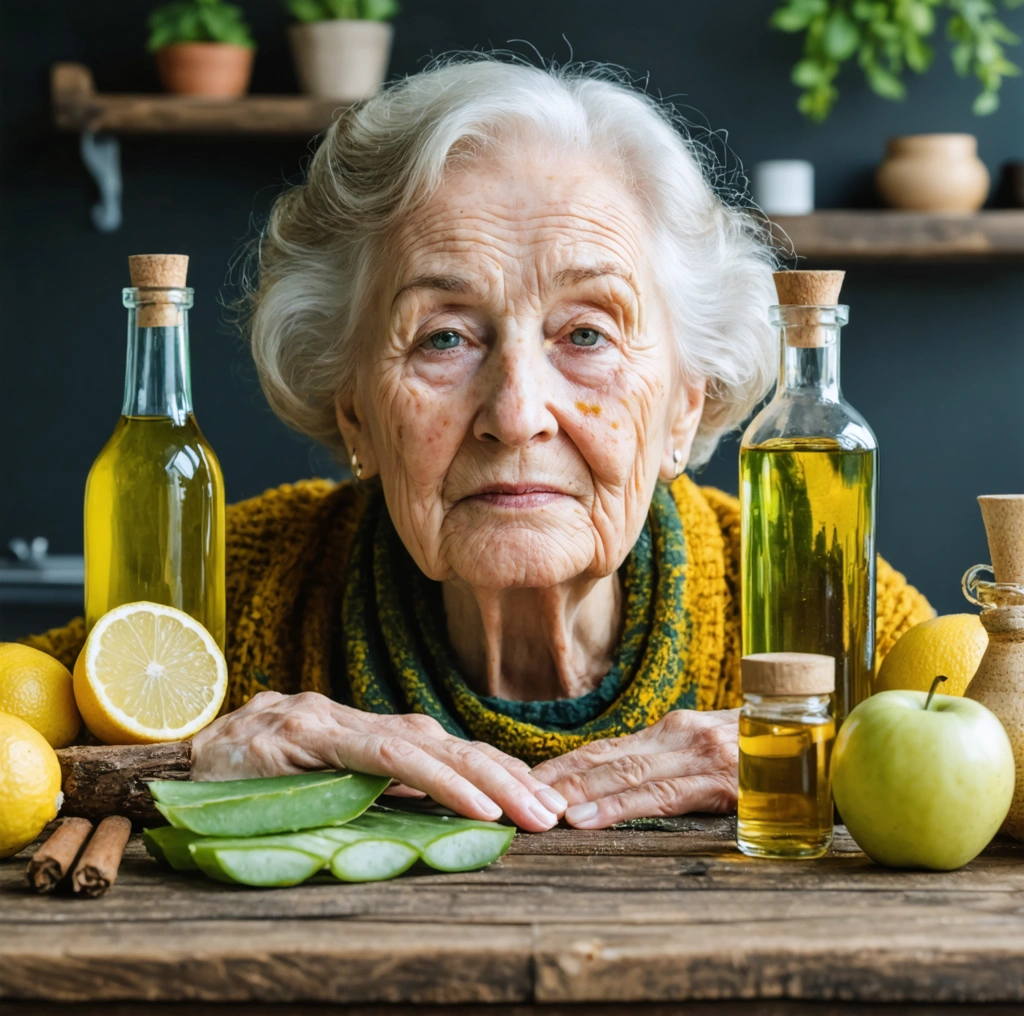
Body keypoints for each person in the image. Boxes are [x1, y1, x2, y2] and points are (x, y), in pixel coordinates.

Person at [27, 58, 932, 832]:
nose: (516, 412)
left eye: (586, 335)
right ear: (354, 414)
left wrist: (835, 767)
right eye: (443, 337)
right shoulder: (245, 584)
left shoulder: (796, 594)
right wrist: (181, 762)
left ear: (685, 410)